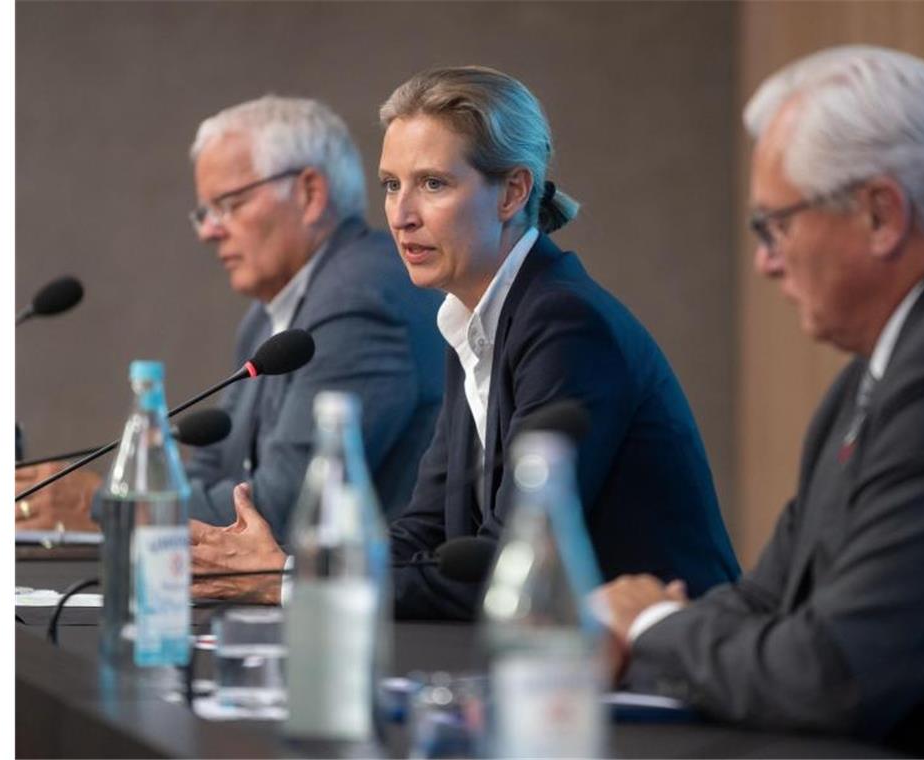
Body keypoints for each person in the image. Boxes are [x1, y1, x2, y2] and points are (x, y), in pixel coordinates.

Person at [594, 46, 924, 757]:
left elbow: (832, 677)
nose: (766, 260)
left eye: (776, 225)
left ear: (881, 214)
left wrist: (648, 630)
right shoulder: (887, 362)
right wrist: (626, 626)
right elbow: (774, 598)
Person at [190, 67, 740, 616]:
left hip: (663, 671)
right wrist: (291, 575)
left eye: (433, 184)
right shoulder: (476, 317)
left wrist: (289, 580)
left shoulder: (565, 323)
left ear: (512, 192)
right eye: (390, 185)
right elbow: (421, 533)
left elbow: (511, 564)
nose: (402, 216)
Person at [15, 95, 445, 540]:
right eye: (205, 212)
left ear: (310, 193)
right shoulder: (267, 316)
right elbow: (212, 466)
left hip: (359, 599)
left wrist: (106, 503)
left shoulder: (360, 299)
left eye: (230, 204)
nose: (208, 231)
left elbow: (282, 508)